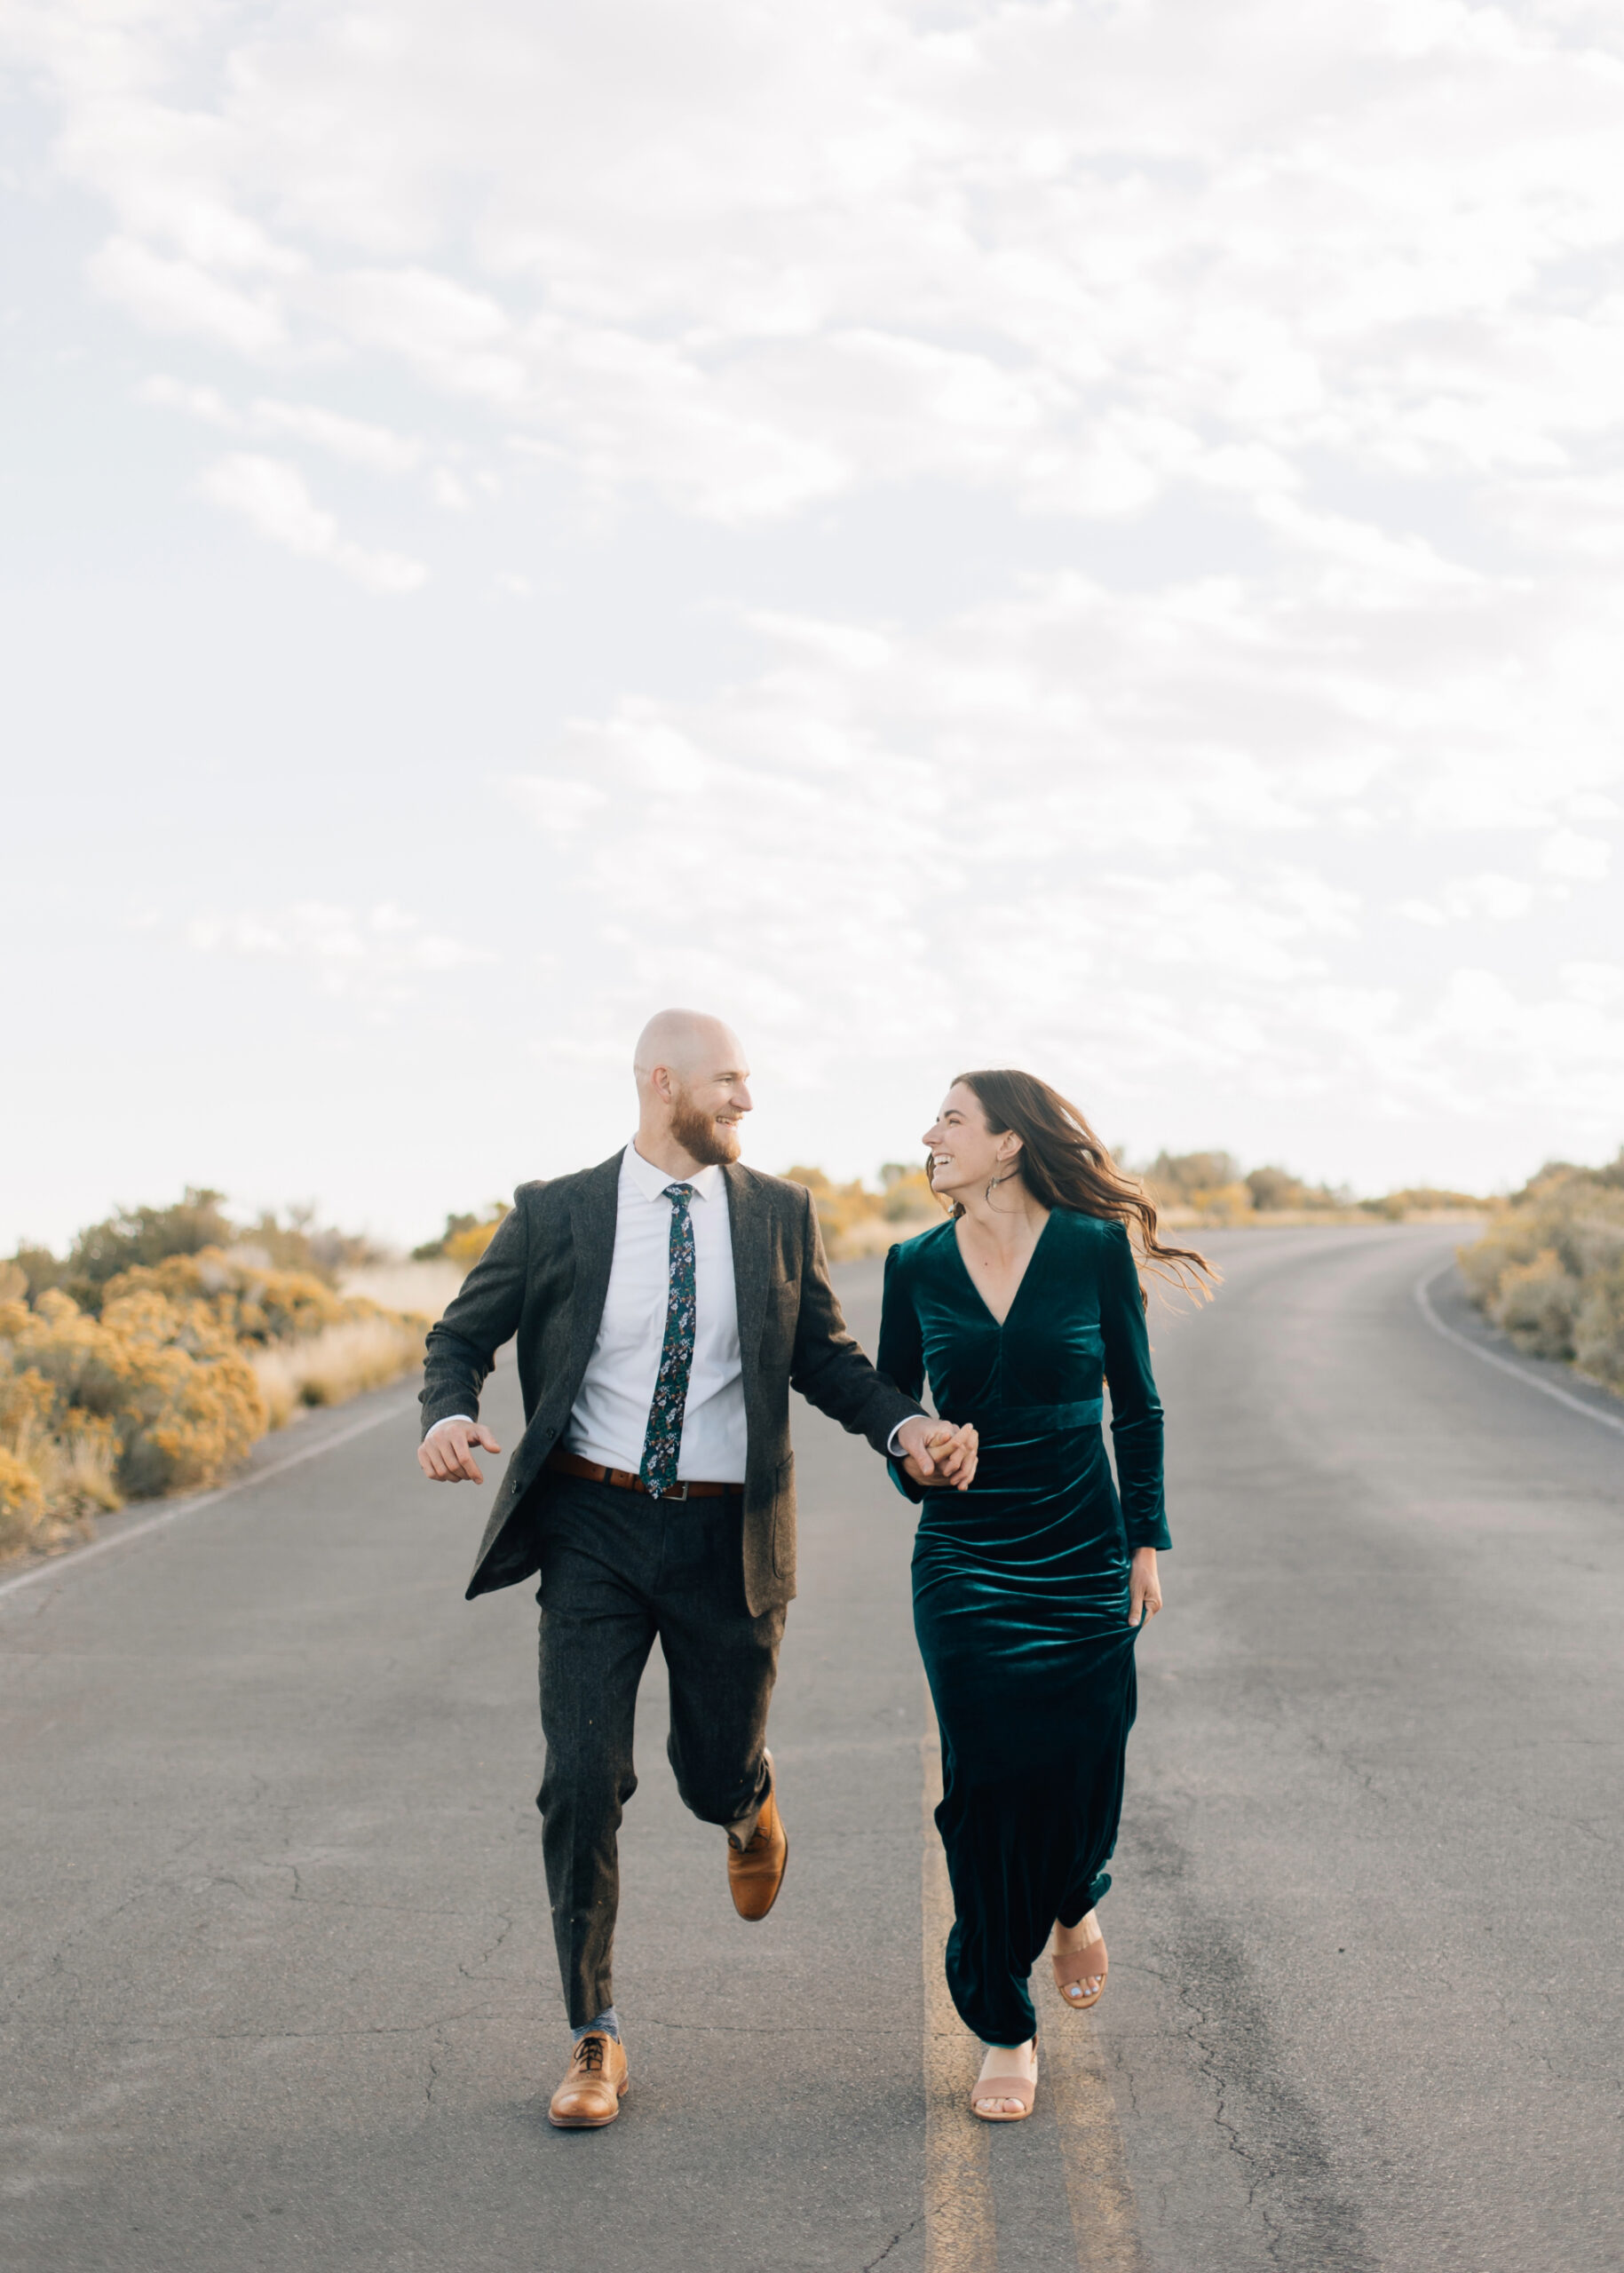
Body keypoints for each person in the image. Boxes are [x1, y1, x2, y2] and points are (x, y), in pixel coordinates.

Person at [416, 1010, 978, 2129]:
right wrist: (446, 1413)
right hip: (592, 1529)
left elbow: (823, 1355)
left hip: (728, 1539)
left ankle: (745, 1799)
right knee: (579, 1776)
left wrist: (901, 1429)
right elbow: (459, 1335)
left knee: (705, 1770)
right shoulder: (557, 1211)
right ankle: (594, 2034)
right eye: (729, 1081)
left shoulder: (775, 1213)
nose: (746, 1101)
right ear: (662, 1081)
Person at [876, 1069, 1214, 2122]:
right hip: (966, 1553)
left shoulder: (1089, 1248)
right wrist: (919, 1457)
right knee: (986, 1781)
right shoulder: (914, 1264)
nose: (926, 1132)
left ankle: (1072, 1897)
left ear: (1010, 1143)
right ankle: (1002, 2021)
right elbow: (892, 1413)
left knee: (1082, 1754)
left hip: (1080, 1536)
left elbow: (1137, 1405)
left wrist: (1143, 1539)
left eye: (949, 1118)